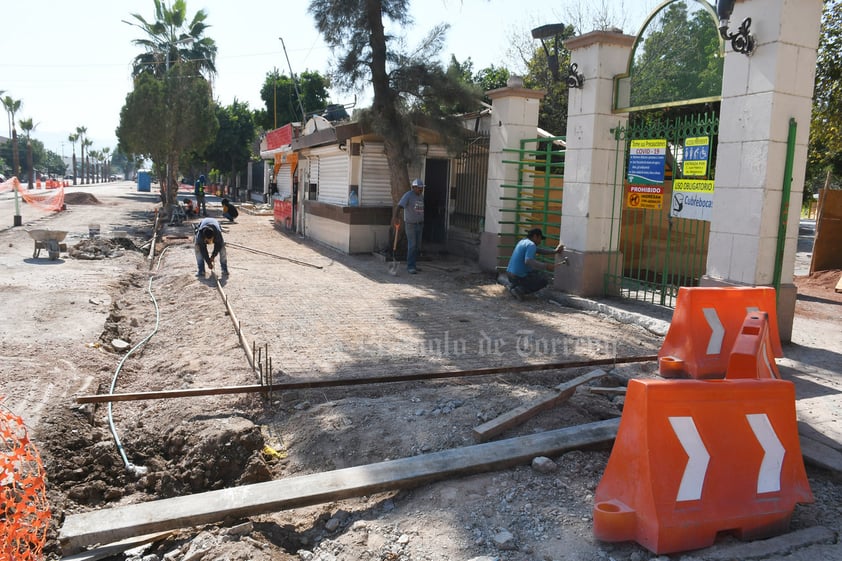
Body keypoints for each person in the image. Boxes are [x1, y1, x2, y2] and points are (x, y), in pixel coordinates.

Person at [506, 228, 564, 300]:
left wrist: (555, 251)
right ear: (535, 236)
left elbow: (540, 250)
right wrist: (546, 266)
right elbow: (528, 261)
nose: (540, 242)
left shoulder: (523, 241)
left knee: (535, 273)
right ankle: (519, 290)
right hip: (518, 276)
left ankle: (513, 286)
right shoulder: (531, 245)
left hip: (510, 274)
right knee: (544, 280)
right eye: (539, 239)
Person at [395, 178, 425, 274]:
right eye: (419, 188)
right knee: (412, 245)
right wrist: (395, 217)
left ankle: (414, 265)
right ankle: (410, 266)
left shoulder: (421, 196)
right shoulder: (408, 195)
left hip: (419, 224)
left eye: (422, 188)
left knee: (417, 246)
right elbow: (399, 206)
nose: (421, 189)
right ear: (414, 187)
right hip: (411, 224)